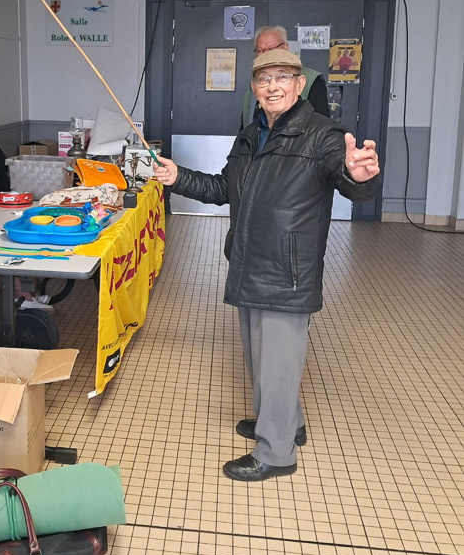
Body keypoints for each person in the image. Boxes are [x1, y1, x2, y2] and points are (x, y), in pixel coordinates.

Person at [153, 49, 380, 482]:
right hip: (247, 260)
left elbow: (353, 182)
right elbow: (225, 188)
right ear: (254, 90)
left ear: (299, 84)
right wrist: (176, 177)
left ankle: (276, 453)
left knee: (278, 359)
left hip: (286, 269)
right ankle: (285, 423)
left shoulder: (323, 135)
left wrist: (361, 176)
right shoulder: (249, 135)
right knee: (263, 358)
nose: (273, 86)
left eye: (283, 77)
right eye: (264, 79)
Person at [240, 26, 329, 129]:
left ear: (286, 47)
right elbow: (245, 125)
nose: (267, 55)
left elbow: (322, 127)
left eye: (271, 49)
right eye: (261, 51)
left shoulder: (312, 80)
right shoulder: (256, 84)